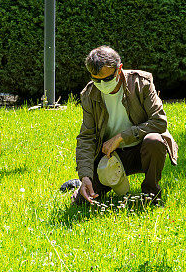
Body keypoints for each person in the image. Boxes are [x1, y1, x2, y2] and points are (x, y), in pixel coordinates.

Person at [73, 45, 178, 205]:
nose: (102, 84)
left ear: (119, 68)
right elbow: (86, 138)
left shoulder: (141, 82)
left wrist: (121, 137)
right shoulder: (88, 94)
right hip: (111, 156)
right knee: (84, 200)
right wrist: (85, 176)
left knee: (154, 140)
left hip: (143, 149)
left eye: (107, 79)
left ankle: (151, 195)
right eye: (96, 79)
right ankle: (77, 185)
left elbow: (159, 122)